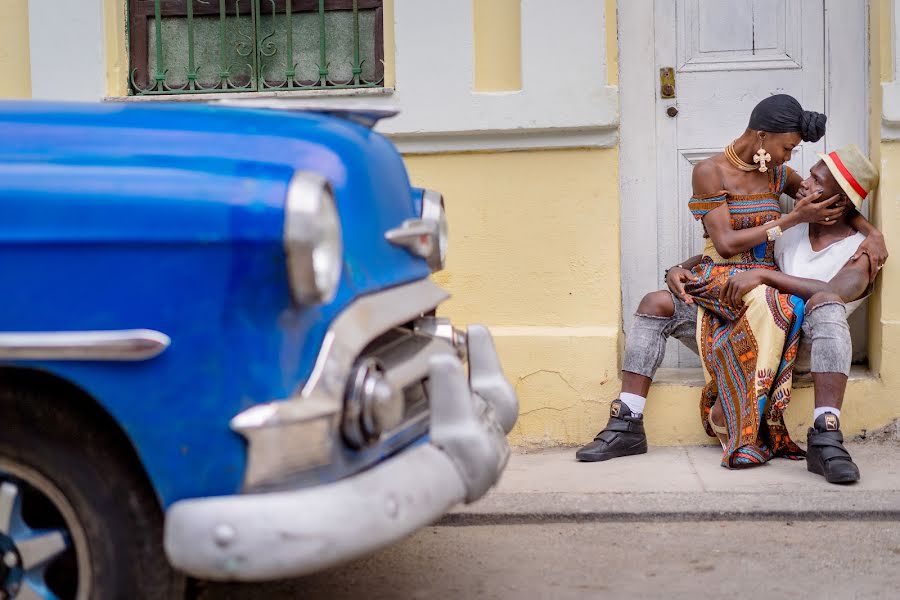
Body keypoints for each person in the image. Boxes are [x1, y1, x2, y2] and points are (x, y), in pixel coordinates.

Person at [576, 98, 887, 476]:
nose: (792, 161)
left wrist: (872, 233)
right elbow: (724, 245)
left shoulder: (775, 173)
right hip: (727, 290)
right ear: (762, 136)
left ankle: (815, 434)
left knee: (781, 303)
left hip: (765, 300)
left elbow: (828, 203)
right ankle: (626, 422)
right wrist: (682, 266)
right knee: (655, 302)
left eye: (793, 152)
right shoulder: (712, 173)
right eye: (787, 147)